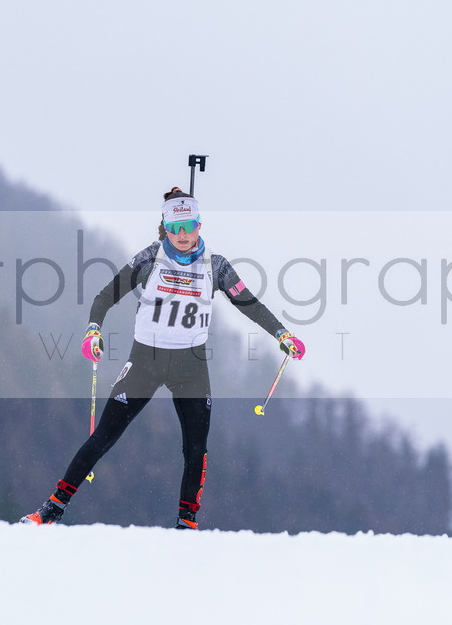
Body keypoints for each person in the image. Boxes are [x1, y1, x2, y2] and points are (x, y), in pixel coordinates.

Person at [21, 187, 305, 529]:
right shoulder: (149, 258)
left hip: (191, 366)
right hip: (146, 360)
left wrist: (282, 334)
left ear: (200, 225)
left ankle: (187, 522)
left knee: (196, 449)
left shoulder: (216, 266)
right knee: (104, 436)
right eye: (175, 227)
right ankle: (53, 508)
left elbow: (250, 304)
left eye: (189, 226)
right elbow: (105, 296)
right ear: (165, 227)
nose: (182, 235)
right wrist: (93, 330)